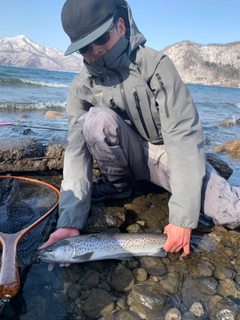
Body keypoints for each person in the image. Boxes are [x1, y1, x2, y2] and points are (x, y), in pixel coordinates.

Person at [40, 0, 240, 268]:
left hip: (166, 156)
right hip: (125, 163)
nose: (94, 50)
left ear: (120, 26)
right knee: (96, 120)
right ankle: (120, 187)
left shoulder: (156, 66)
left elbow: (183, 138)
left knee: (232, 212)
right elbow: (77, 155)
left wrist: (182, 217)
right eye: (84, 47)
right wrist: (69, 222)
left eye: (100, 37)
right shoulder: (80, 88)